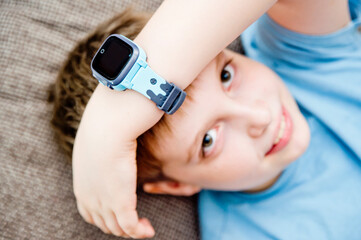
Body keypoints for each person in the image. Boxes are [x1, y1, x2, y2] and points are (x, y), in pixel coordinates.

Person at [66, 0, 361, 238]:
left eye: (226, 75)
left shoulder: (298, 52)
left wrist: (108, 124)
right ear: (175, 185)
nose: (258, 117)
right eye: (208, 140)